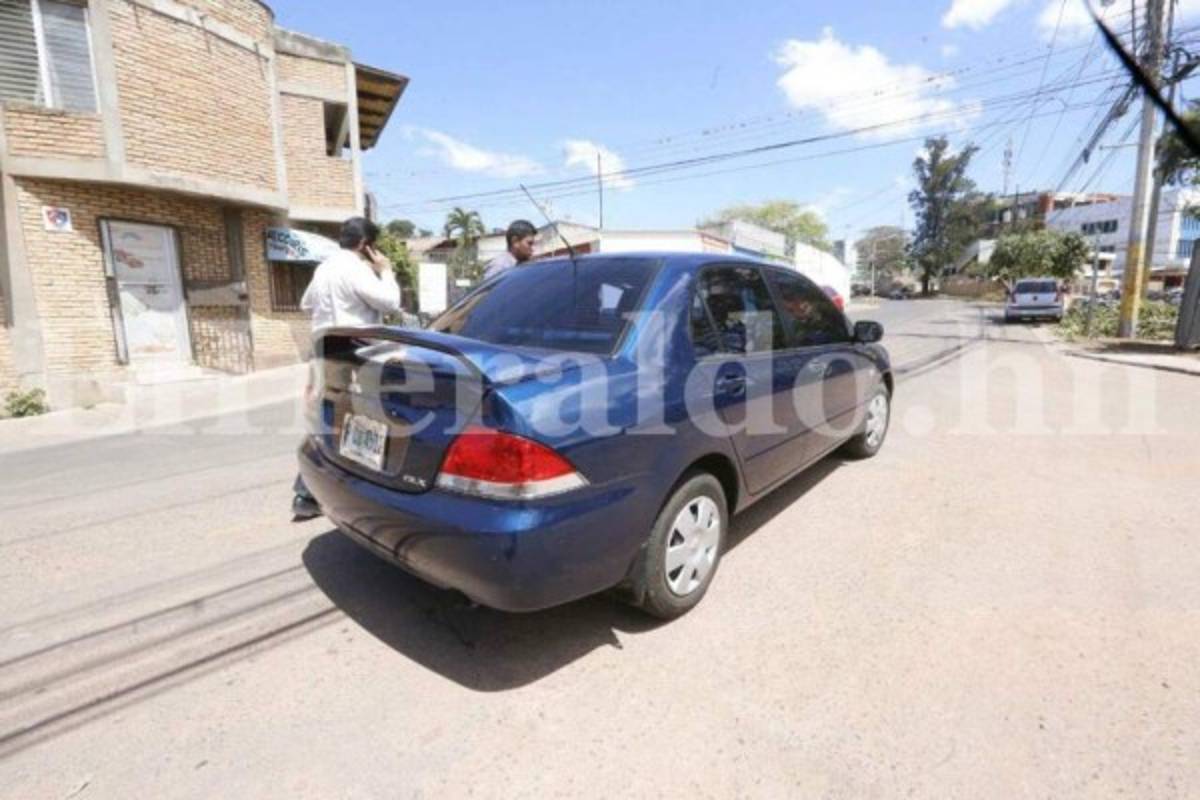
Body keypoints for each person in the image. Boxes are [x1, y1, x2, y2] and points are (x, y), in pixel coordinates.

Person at [291, 217, 401, 520]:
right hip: (357, 353)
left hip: (325, 352)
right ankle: (343, 491)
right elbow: (390, 302)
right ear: (366, 245)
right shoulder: (356, 268)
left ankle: (306, 494)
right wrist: (386, 271)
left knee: (330, 418)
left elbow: (305, 304)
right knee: (366, 423)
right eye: (373, 247)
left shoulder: (324, 268)